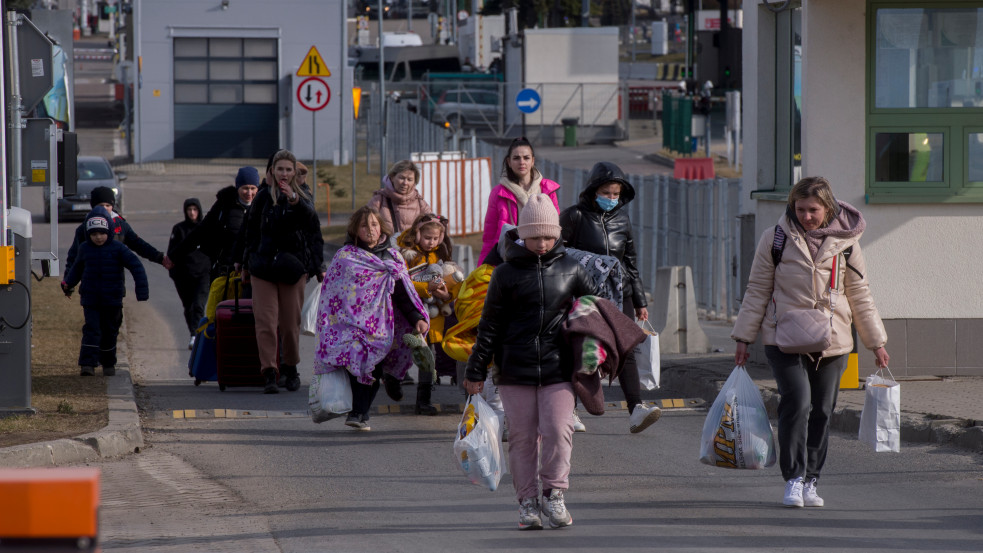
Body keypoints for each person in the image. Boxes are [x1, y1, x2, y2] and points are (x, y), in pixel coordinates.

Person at [731, 176, 890, 509]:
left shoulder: (846, 243)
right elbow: (757, 289)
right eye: (800, 209)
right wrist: (744, 338)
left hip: (832, 341)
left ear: (827, 208)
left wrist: (876, 342)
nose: (806, 217)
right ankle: (794, 479)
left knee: (822, 410)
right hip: (783, 338)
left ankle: (812, 480)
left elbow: (860, 294)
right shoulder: (774, 239)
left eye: (813, 210)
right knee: (797, 404)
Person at [464, 194, 597, 531]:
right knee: (523, 438)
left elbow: (592, 315)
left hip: (560, 367)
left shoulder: (572, 269)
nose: (542, 244)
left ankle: (554, 493)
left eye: (548, 237)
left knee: (558, 429)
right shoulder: (505, 274)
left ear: (557, 235)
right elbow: (489, 325)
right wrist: (476, 370)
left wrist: (593, 354)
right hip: (514, 369)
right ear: (522, 235)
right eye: (535, 237)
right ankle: (526, 502)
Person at [559, 161, 662, 434]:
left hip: (620, 292)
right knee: (581, 349)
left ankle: (636, 409)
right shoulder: (574, 217)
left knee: (625, 347)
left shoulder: (622, 220)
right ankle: (570, 410)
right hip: (585, 294)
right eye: (606, 193)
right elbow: (558, 253)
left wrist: (640, 301)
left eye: (616, 194)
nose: (611, 199)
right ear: (593, 191)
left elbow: (630, 262)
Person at [313, 206, 430, 431]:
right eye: (365, 225)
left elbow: (403, 294)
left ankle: (360, 413)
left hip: (382, 327)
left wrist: (416, 318)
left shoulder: (392, 257)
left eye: (374, 224)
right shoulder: (345, 257)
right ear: (356, 229)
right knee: (355, 365)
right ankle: (358, 412)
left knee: (374, 368)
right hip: (349, 325)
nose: (370, 229)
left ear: (381, 228)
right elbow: (332, 293)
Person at [241, 150, 326, 394]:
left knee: (290, 324)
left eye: (289, 170)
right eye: (280, 169)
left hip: (293, 269)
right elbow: (251, 231)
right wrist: (245, 263)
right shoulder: (263, 197)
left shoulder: (303, 197)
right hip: (263, 268)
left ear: (294, 173)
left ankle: (290, 367)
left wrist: (317, 265)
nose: (285, 174)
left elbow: (313, 230)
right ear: (272, 172)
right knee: (266, 322)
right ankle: (269, 371)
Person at [61, 207, 149, 377]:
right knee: (92, 329)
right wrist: (68, 284)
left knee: (109, 330)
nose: (98, 237)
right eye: (94, 234)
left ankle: (108, 363)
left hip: (112, 298)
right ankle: (88, 364)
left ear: (109, 231)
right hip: (90, 298)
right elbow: (77, 269)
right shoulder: (85, 249)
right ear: (88, 234)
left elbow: (136, 266)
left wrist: (142, 291)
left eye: (102, 233)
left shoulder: (118, 248)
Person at [396, 213, 460, 415]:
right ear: (416, 234)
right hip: (410, 313)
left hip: (434, 316)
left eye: (435, 238)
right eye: (427, 238)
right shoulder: (405, 255)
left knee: (427, 357)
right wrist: (427, 287)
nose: (431, 242)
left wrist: (446, 294)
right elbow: (402, 283)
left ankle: (423, 400)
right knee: (401, 351)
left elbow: (452, 286)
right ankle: (392, 378)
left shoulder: (441, 256)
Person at [479, 137, 560, 262]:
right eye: (516, 158)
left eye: (526, 158)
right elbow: (489, 237)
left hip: (543, 255)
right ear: (509, 162)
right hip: (509, 258)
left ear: (533, 161)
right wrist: (483, 266)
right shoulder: (498, 193)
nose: (521, 162)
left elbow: (555, 229)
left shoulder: (548, 190)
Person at [169, 167, 259, 281]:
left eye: (253, 188)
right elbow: (201, 230)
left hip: (254, 272)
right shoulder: (224, 205)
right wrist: (174, 256)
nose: (249, 193)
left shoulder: (263, 206)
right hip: (225, 270)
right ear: (237, 187)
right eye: (245, 188)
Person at [66, 186, 173, 275]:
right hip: (90, 284)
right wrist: (68, 281)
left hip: (115, 285)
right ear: (93, 207)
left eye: (108, 205)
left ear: (112, 206)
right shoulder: (84, 228)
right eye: (100, 205)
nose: (104, 208)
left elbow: (139, 245)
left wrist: (160, 258)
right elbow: (73, 256)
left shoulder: (121, 225)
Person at [167, 198, 211, 349]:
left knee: (199, 305)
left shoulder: (206, 228)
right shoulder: (179, 229)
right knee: (189, 307)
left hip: (203, 274)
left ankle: (196, 335)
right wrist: (174, 274)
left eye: (195, 209)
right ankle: (193, 332)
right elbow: (171, 254)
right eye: (189, 210)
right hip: (184, 276)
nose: (192, 213)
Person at [366, 159, 432, 237]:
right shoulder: (378, 200)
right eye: (401, 178)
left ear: (414, 182)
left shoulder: (420, 202)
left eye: (409, 179)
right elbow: (366, 225)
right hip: (385, 247)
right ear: (392, 177)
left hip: (411, 247)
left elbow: (430, 226)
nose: (405, 183)